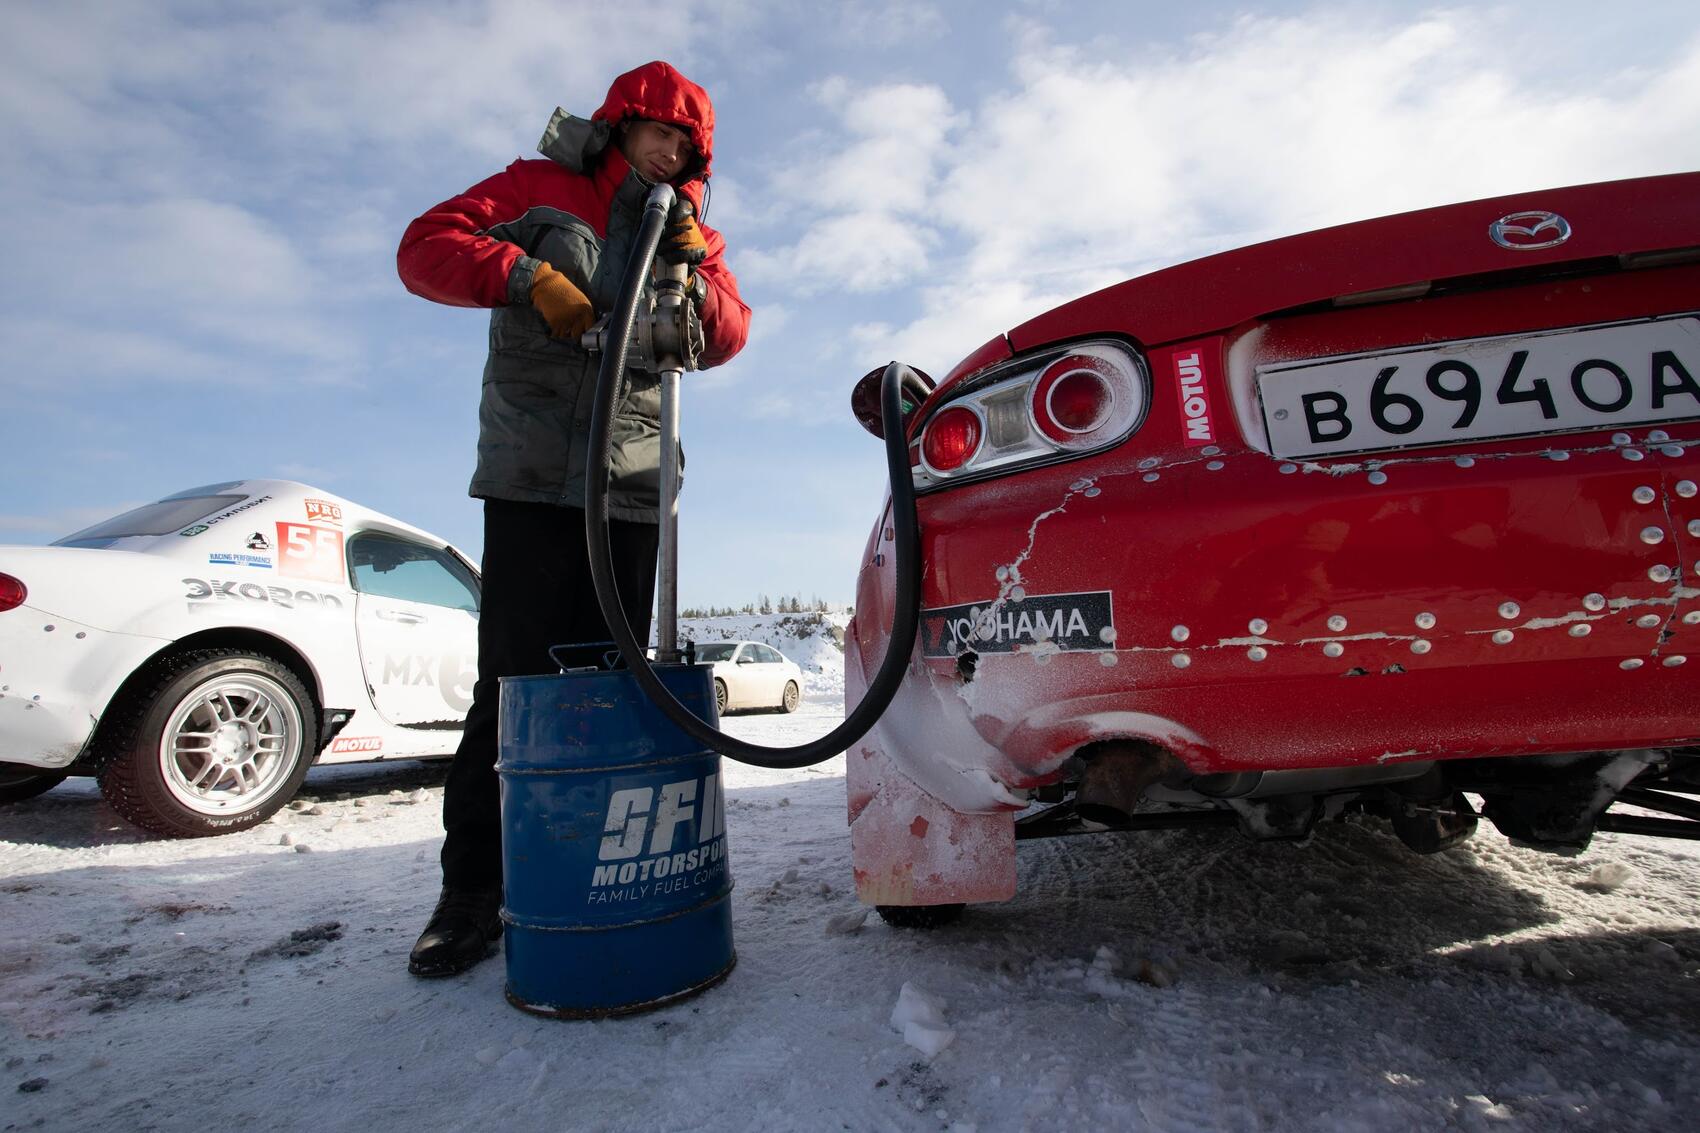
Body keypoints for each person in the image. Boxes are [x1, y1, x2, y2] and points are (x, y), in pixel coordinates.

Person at [395, 61, 751, 978]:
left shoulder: (686, 230)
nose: (671, 151)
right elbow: (424, 248)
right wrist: (524, 276)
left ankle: (602, 878)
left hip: (629, 486)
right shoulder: (536, 188)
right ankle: (473, 895)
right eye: (659, 131)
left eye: (688, 144)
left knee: (619, 688)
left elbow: (734, 327)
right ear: (620, 124)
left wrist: (694, 283)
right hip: (531, 476)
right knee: (513, 693)